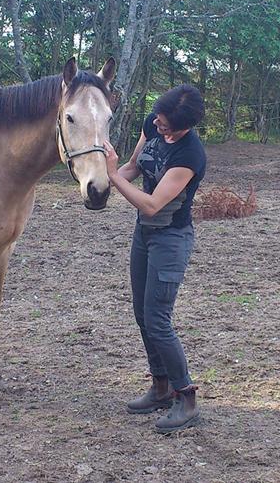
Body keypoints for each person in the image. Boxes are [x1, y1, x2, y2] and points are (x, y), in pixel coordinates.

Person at [102, 84, 207, 434]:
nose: (159, 128)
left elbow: (151, 204)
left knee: (158, 319)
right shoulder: (152, 123)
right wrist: (101, 180)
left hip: (171, 238)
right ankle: (160, 387)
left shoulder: (190, 155)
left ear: (184, 126)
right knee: (141, 312)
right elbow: (134, 166)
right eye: (158, 121)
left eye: (166, 126)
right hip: (144, 235)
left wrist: (114, 175)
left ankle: (186, 397)